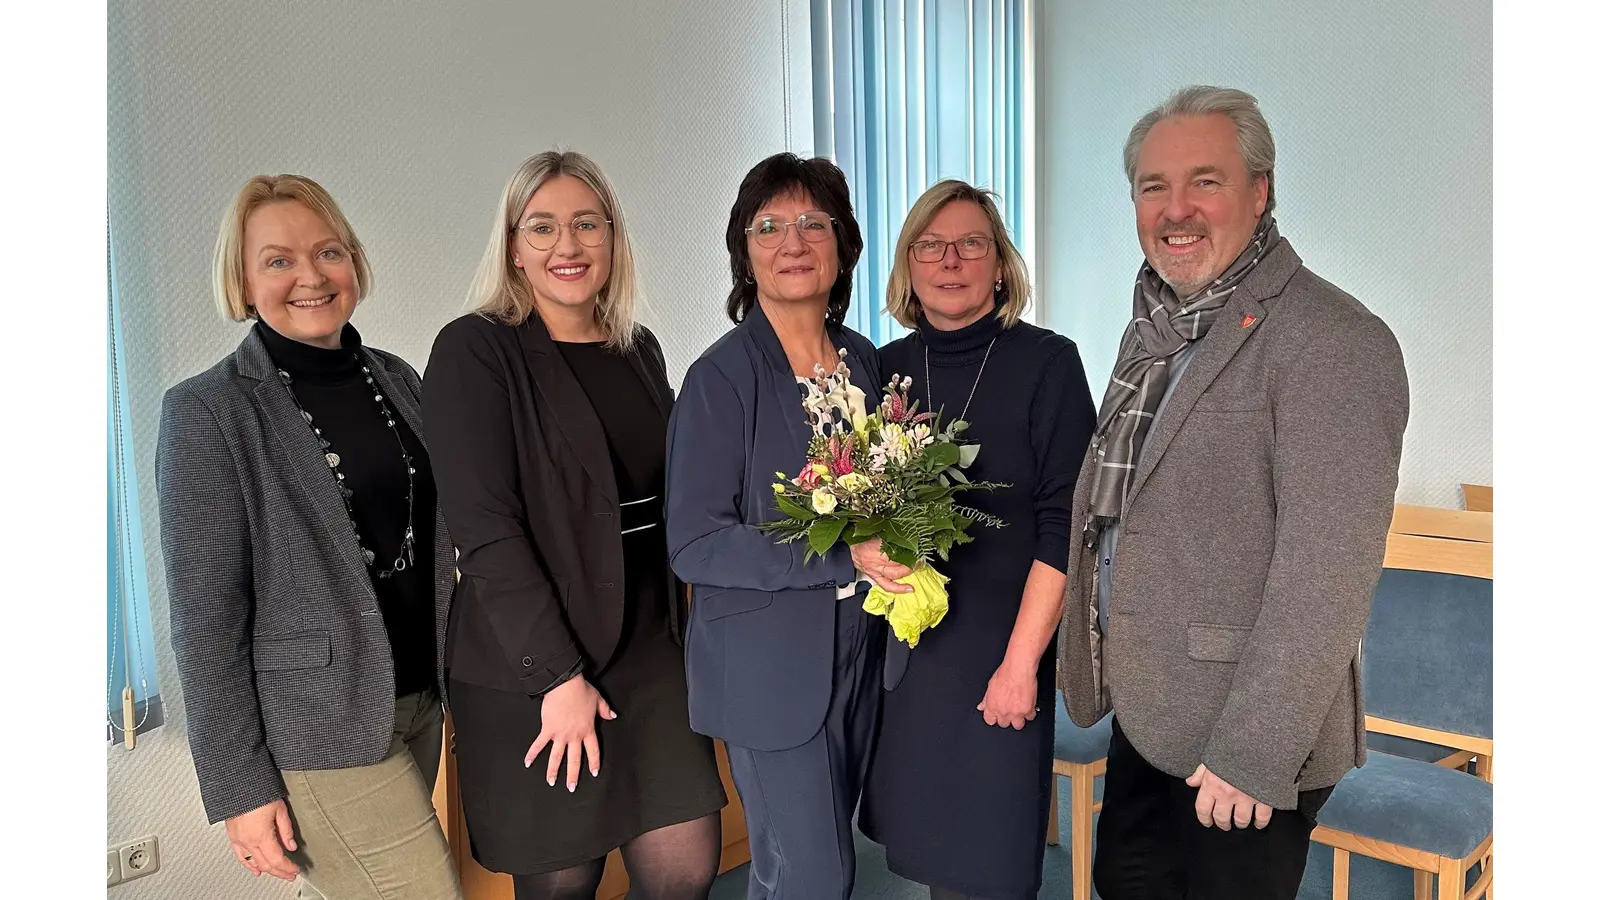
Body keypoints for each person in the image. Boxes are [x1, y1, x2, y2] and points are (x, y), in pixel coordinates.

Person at [1056, 85, 1411, 900]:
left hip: (1241, 743)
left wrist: (1253, 752)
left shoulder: (1333, 340)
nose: (1175, 209)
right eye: (1153, 187)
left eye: (1205, 182)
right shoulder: (1155, 327)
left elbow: (1325, 575)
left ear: (1261, 191)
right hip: (1149, 716)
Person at [423, 150, 727, 900]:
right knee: (563, 886)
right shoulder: (475, 350)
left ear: (613, 238)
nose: (568, 246)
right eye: (544, 227)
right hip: (537, 663)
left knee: (685, 872)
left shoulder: (638, 349)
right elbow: (485, 530)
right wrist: (558, 676)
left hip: (650, 654)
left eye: (587, 224)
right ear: (514, 245)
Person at [156, 174, 463, 900]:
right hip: (318, 728)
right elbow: (205, 621)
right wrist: (238, 789)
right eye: (278, 260)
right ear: (242, 278)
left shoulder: (399, 379)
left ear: (353, 260)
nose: (310, 276)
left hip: (419, 699)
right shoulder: (209, 412)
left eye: (327, 252)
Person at [855, 179, 1097, 900]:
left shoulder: (1049, 363)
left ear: (999, 264)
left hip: (1003, 650)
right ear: (909, 265)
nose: (950, 259)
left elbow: (1067, 527)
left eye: (971, 243)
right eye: (931, 245)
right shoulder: (883, 367)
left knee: (987, 871)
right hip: (913, 658)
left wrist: (1022, 664)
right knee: (935, 864)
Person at [664, 152, 891, 900]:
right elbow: (695, 543)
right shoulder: (720, 378)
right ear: (746, 251)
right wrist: (841, 557)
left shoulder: (862, 363)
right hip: (770, 666)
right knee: (816, 876)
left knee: (793, 870)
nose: (793, 242)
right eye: (769, 226)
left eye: (812, 223)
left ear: (842, 244)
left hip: (861, 650)